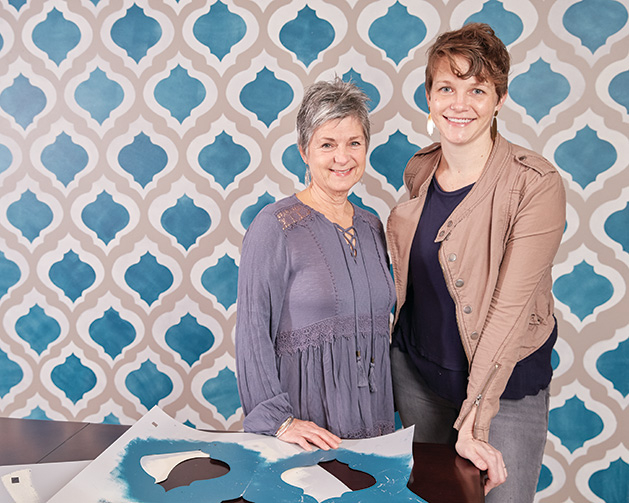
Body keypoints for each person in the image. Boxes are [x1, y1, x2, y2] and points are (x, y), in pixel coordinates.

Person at [387, 23, 566, 501]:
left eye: (477, 89)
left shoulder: (536, 185)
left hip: (504, 392)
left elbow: (509, 313)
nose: (459, 104)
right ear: (429, 96)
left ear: (499, 98)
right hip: (419, 379)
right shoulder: (419, 170)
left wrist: (476, 419)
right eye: (447, 87)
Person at [236, 78, 396, 452]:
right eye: (328, 144)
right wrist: (278, 420)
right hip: (306, 426)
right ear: (304, 151)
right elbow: (252, 329)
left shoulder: (373, 225)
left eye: (354, 143)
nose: (343, 157)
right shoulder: (275, 225)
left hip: (374, 420)